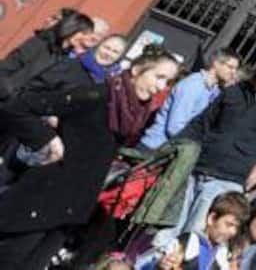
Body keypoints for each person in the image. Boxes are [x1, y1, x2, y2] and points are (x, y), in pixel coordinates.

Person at [0, 50, 179, 268]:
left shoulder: (134, 115)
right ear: (137, 70)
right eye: (158, 77)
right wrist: (48, 139)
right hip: (42, 197)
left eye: (167, 82)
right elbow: (18, 108)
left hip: (71, 209)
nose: (161, 87)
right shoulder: (97, 96)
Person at [176, 51, 256, 235]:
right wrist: (181, 146)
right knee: (170, 231)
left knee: (195, 235)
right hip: (198, 167)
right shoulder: (237, 88)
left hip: (228, 178)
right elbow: (204, 121)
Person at [140, 49, 240, 151]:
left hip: (170, 151)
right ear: (216, 63)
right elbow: (175, 127)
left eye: (235, 69)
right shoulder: (194, 84)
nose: (233, 72)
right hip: (153, 149)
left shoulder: (214, 90)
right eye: (230, 67)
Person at [0, 7, 95, 101]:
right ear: (72, 28)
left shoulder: (63, 57)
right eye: (83, 33)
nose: (85, 39)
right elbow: (8, 66)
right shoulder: (42, 42)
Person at [136, 191, 247, 270]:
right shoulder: (186, 243)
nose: (233, 232)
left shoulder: (222, 256)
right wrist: (160, 265)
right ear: (212, 218)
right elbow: (145, 264)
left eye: (237, 227)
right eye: (229, 225)